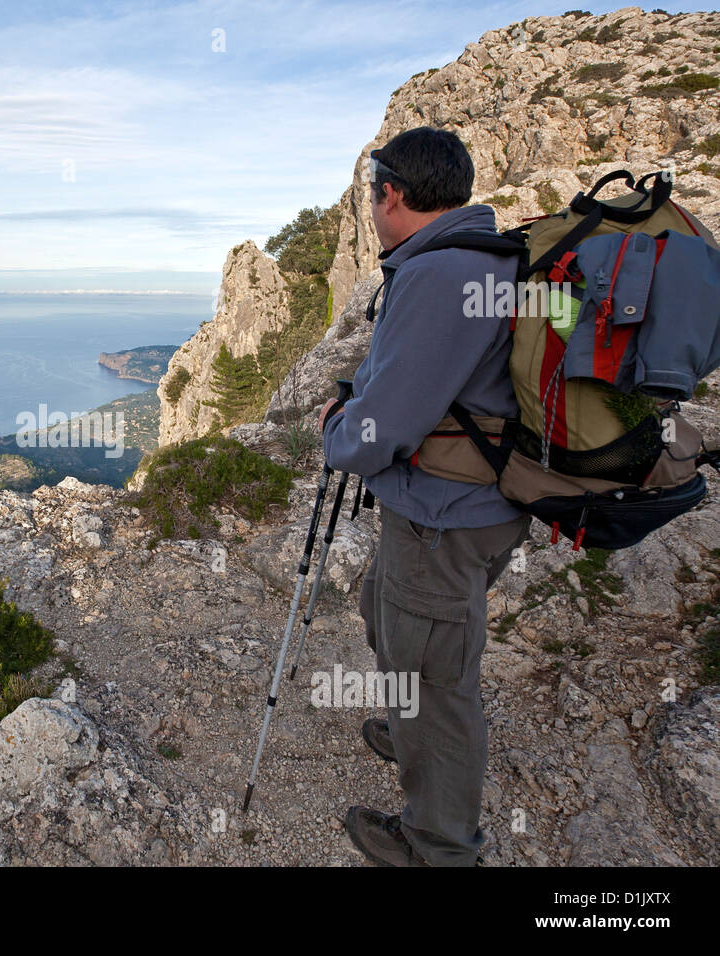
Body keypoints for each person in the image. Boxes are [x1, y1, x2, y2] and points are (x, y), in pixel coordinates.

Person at [316, 126, 532, 866]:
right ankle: (407, 720)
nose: (370, 213)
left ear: (393, 195)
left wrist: (337, 435)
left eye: (372, 197)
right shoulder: (490, 261)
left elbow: (383, 430)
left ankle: (436, 843)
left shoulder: (442, 278)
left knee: (438, 683)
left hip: (444, 518)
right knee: (383, 610)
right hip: (475, 508)